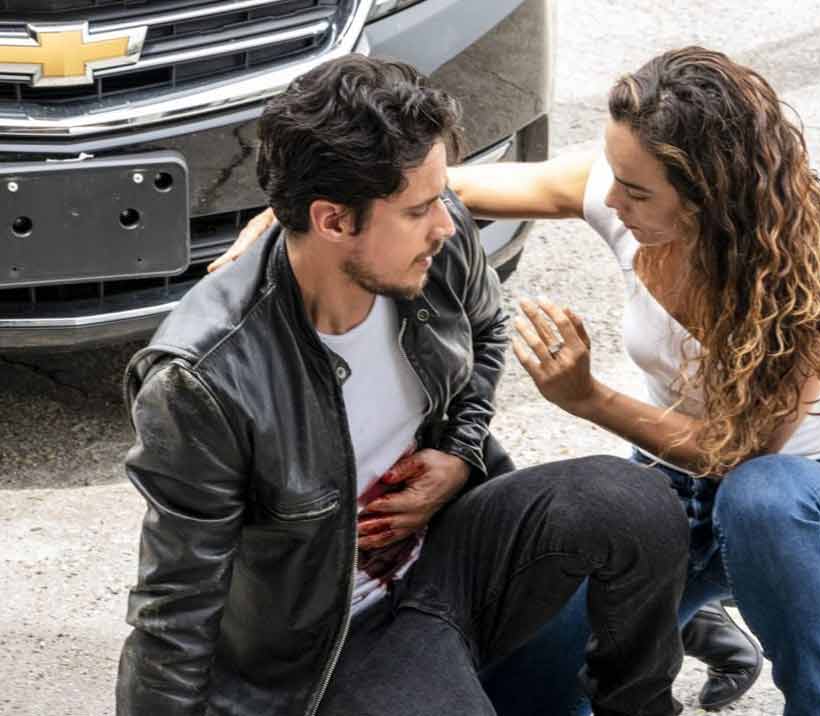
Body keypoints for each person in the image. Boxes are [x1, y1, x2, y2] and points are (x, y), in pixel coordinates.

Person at [218, 47, 820, 716]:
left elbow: (739, 453)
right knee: (524, 685)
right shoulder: (626, 201)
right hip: (679, 500)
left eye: (635, 191)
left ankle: (814, 703)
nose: (612, 199)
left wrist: (588, 398)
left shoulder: (798, 278)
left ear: (705, 194)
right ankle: (687, 616)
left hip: (808, 507)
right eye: (613, 176)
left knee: (758, 498)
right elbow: (444, 192)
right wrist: (299, 211)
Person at [116, 54, 691, 716]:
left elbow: (485, 331)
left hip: (451, 553)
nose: (446, 223)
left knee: (638, 503)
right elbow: (175, 607)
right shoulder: (204, 380)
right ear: (334, 221)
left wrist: (458, 453)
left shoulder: (432, 244)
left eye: (439, 198)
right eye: (418, 210)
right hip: (341, 636)